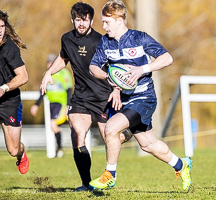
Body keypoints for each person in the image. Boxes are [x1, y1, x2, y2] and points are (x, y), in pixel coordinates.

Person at [89, 0, 193, 191]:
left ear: (120, 20)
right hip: (125, 101)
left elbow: (167, 58)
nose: (103, 26)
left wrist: (141, 69)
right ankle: (182, 165)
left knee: (111, 130)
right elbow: (93, 66)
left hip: (144, 97)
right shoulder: (105, 41)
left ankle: (110, 174)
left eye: (107, 22)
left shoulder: (140, 38)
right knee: (148, 144)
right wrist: (108, 77)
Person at [40, 1, 131, 191]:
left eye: (86, 20)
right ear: (72, 19)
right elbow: (63, 58)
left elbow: (116, 67)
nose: (82, 23)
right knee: (77, 135)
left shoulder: (102, 41)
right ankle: (86, 183)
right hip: (80, 97)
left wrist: (116, 89)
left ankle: (125, 137)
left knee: (112, 137)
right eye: (78, 20)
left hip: (103, 96)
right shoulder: (66, 39)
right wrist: (49, 73)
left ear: (91, 20)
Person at [0, 10, 29, 174]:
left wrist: (3, 88)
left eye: (2, 26)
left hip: (9, 101)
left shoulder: (9, 47)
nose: (0, 30)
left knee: (13, 149)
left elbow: (23, 76)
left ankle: (21, 153)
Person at [30, 53, 73, 158]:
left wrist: (67, 106)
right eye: (48, 62)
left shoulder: (64, 73)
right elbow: (43, 91)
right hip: (52, 104)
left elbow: (69, 90)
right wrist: (36, 105)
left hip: (61, 104)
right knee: (55, 126)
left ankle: (62, 148)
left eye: (51, 62)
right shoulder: (47, 74)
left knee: (54, 125)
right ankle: (60, 149)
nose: (49, 64)